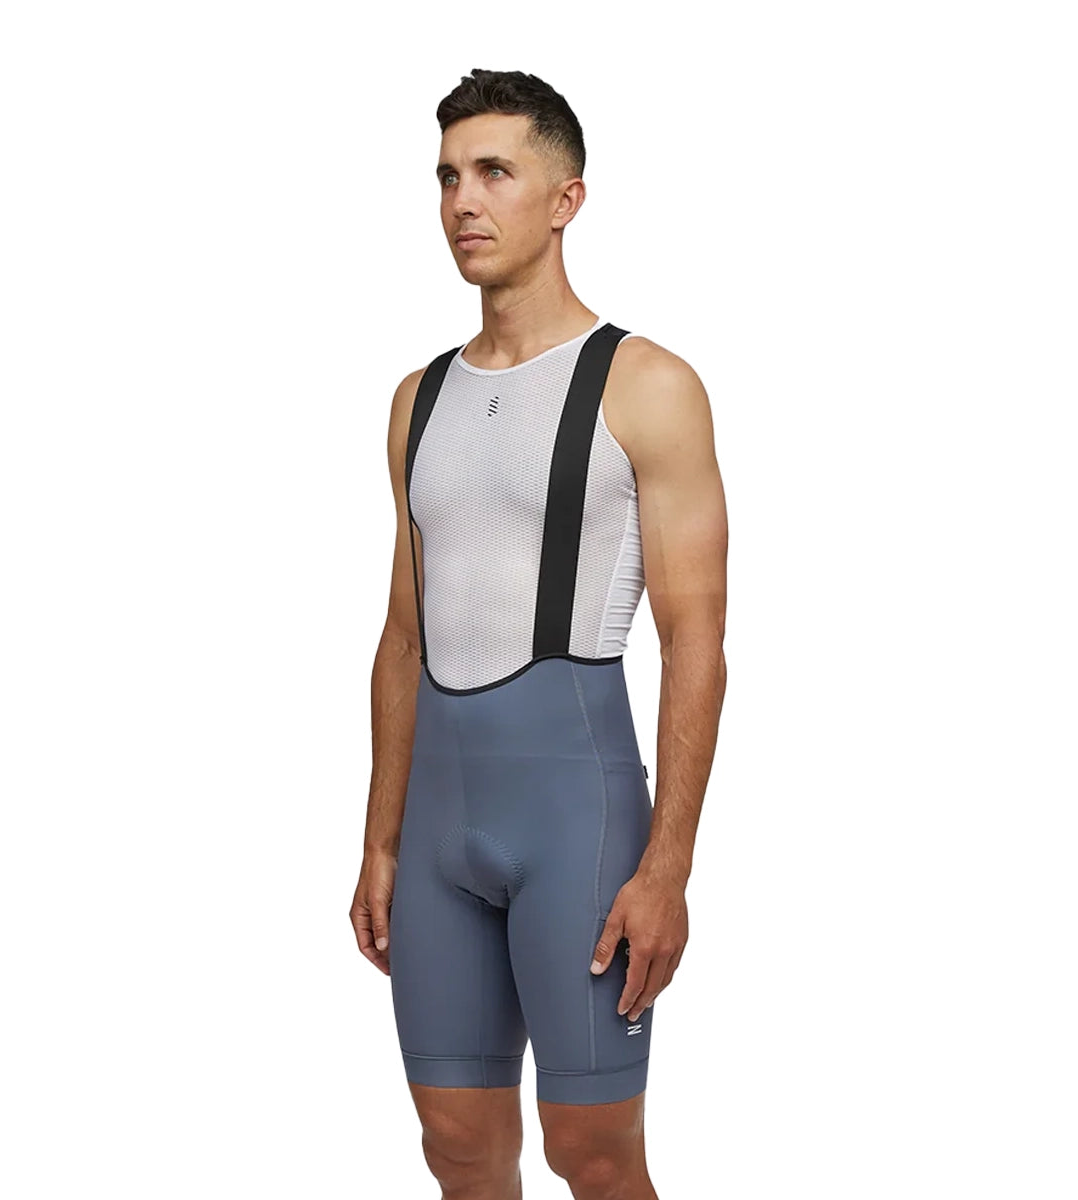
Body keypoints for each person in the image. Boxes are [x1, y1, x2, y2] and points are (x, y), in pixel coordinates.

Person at [350, 68, 729, 1200]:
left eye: (494, 172)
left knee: (593, 1154)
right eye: (447, 177)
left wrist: (668, 867)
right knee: (457, 1148)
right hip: (439, 829)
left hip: (578, 821)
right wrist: (379, 841)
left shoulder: (647, 385)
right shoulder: (417, 399)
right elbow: (403, 637)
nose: (463, 201)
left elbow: (696, 643)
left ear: (566, 199)